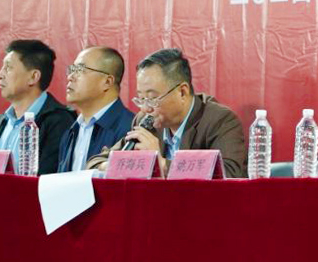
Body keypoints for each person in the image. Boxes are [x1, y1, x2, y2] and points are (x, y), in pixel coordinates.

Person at [90, 48, 245, 178]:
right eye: (141, 99)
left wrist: (160, 164)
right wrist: (116, 165)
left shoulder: (220, 120)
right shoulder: (146, 121)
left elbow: (230, 175)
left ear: (182, 92)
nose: (145, 109)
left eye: (152, 98)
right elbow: (95, 162)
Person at [0, 40, 74, 175]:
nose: (0, 75)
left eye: (8, 68)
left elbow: (48, 179)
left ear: (33, 77)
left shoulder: (59, 121)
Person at [57, 47, 134, 173]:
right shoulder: (71, 131)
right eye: (72, 70)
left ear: (107, 82)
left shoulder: (130, 130)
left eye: (80, 70)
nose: (70, 77)